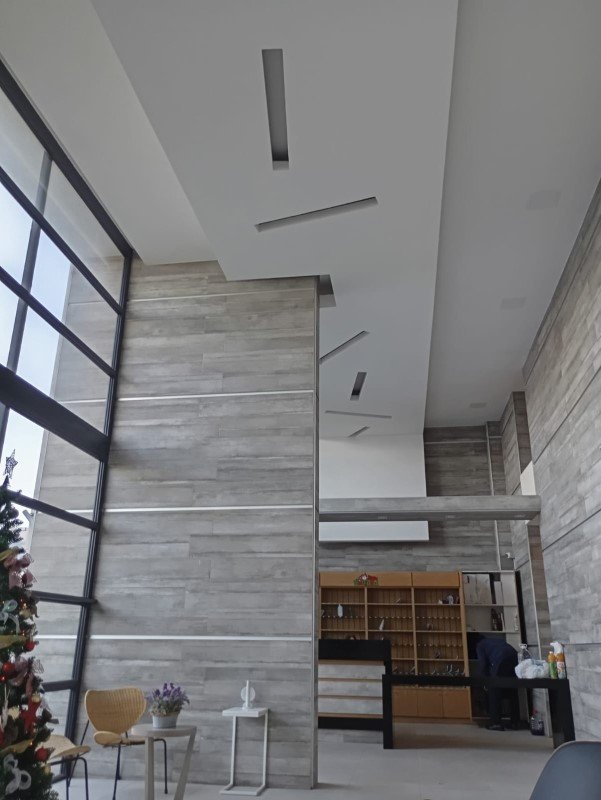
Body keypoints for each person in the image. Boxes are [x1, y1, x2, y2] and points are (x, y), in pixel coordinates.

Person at [475, 635, 520, 731]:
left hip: (501, 659)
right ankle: (515, 722)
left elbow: (483, 664)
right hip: (514, 656)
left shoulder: (480, 645)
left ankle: (496, 723)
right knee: (512, 690)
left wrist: (485, 682)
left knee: (493, 690)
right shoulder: (492, 640)